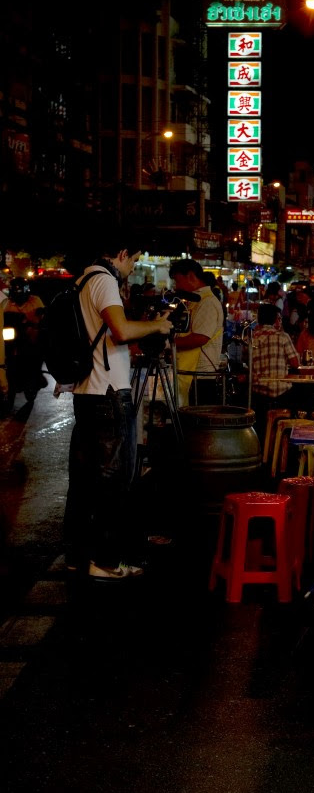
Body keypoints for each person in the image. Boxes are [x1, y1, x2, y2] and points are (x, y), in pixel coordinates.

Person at [64, 233, 173, 580]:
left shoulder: (83, 280)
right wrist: (158, 324)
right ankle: (107, 562)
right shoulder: (104, 280)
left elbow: (108, 337)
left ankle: (77, 556)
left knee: (84, 481)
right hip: (109, 396)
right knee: (114, 480)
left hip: (88, 393)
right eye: (134, 260)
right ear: (122, 254)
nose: (133, 267)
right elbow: (121, 330)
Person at [169, 259, 224, 406]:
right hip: (189, 373)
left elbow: (200, 338)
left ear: (191, 276)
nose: (177, 286)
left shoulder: (207, 302)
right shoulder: (195, 300)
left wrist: (168, 344)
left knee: (197, 424)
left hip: (200, 377)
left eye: (178, 281)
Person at [251, 302, 300, 444]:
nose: (280, 321)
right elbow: (295, 363)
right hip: (281, 392)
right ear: (274, 319)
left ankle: (262, 444)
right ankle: (287, 442)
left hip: (258, 392)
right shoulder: (283, 337)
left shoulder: (252, 337)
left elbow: (245, 360)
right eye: (279, 318)